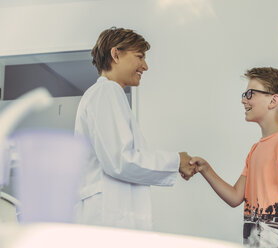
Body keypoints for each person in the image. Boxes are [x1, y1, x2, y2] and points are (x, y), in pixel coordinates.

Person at [74, 27, 196, 230]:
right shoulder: (106, 92)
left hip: (108, 217)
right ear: (115, 54)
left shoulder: (107, 95)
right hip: (107, 219)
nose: (145, 66)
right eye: (139, 56)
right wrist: (177, 161)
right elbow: (120, 160)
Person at [190, 67, 278, 248]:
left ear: (274, 100)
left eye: (250, 94)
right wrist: (206, 169)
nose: (243, 100)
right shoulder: (255, 150)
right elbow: (235, 197)